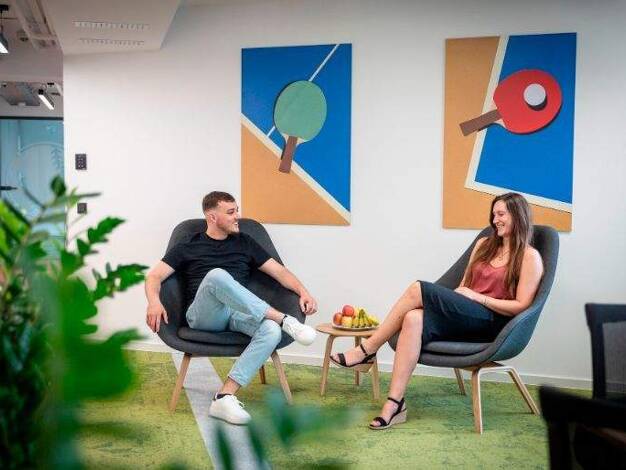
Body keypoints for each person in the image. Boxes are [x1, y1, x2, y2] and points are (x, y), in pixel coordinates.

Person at [331, 192, 544, 430]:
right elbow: (464, 284)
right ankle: (394, 404)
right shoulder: (484, 245)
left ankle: (367, 349)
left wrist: (478, 298)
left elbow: (522, 305)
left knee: (417, 289)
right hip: (466, 313)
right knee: (413, 318)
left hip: (491, 322)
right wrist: (459, 299)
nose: (495, 220)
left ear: (517, 215)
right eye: (494, 215)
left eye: (501, 214)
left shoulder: (530, 257)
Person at [145, 191, 318, 425]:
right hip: (203, 316)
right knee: (217, 275)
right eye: (231, 212)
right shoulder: (188, 245)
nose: (237, 216)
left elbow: (280, 272)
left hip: (238, 313)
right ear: (212, 217)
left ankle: (224, 396)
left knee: (271, 331)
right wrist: (154, 301)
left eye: (237, 210)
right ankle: (283, 319)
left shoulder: (245, 242)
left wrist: (304, 291)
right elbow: (154, 276)